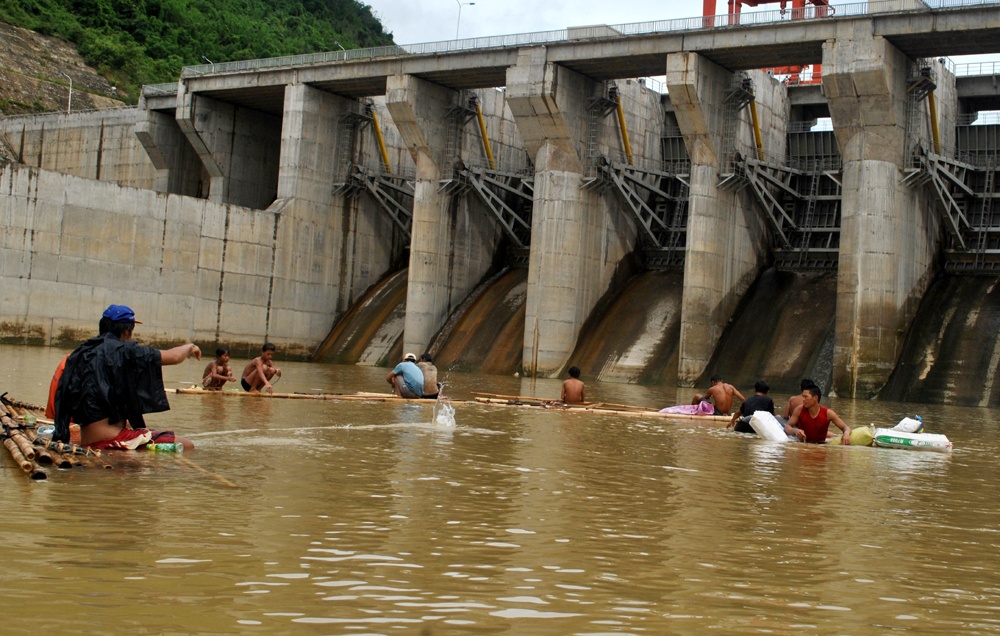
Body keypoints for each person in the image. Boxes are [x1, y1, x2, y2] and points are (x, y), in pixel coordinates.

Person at [53, 304, 201, 450]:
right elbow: (174, 357)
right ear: (125, 332)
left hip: (89, 436)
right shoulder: (126, 351)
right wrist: (190, 347)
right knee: (188, 446)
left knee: (136, 428)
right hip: (108, 439)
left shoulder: (82, 352)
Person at [783, 384, 852, 444]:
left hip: (821, 446)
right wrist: (795, 431)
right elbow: (787, 427)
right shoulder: (799, 410)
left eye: (806, 397)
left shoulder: (828, 413)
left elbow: (845, 427)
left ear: (815, 398)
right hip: (802, 445)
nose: (803, 399)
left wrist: (846, 434)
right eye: (802, 396)